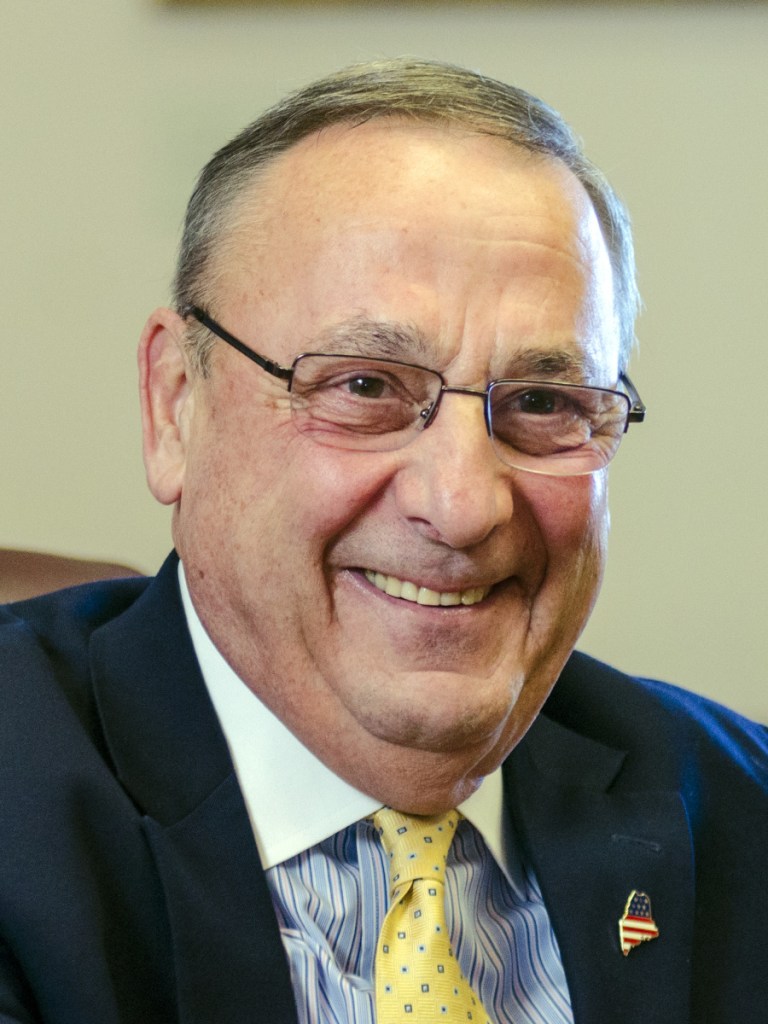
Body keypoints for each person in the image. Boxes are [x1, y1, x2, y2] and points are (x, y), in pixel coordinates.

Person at [1, 58, 765, 1024]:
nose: (462, 506)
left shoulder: (743, 815)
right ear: (174, 408)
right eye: (364, 386)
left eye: (540, 404)